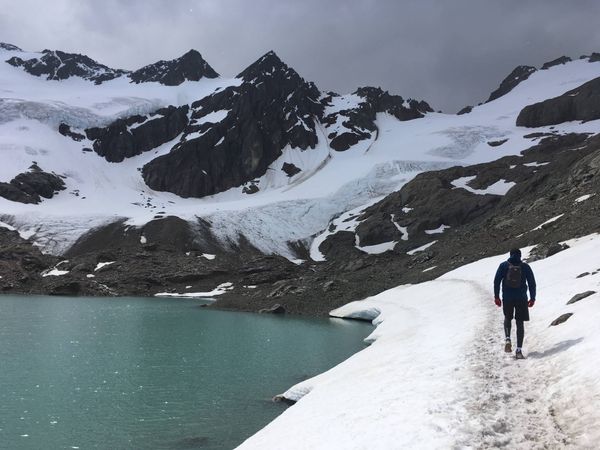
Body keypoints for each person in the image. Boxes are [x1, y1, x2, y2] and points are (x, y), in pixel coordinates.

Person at [493, 248, 536, 359]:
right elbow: (532, 283)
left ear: (510, 254)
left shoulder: (503, 265)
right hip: (521, 298)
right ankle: (518, 350)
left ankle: (508, 338)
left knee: (508, 318)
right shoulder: (525, 267)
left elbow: (496, 281)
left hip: (507, 297)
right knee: (519, 322)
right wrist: (532, 298)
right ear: (520, 255)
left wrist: (497, 297)